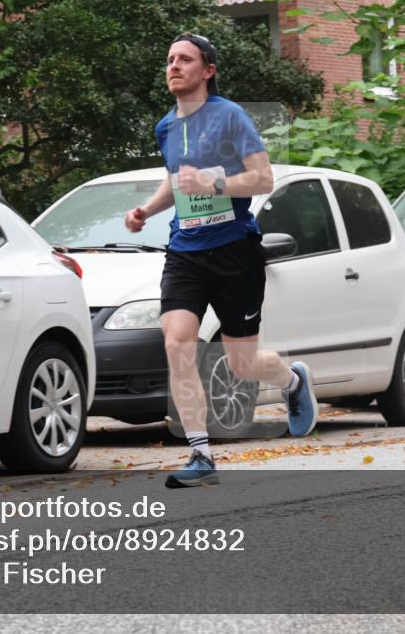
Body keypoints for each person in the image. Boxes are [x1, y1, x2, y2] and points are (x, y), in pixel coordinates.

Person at [124, 32, 319, 488]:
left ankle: (292, 381)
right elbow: (176, 183)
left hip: (234, 251)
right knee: (177, 344)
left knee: (242, 365)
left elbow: (263, 178)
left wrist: (213, 185)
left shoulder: (230, 117)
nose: (173, 66)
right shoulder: (166, 127)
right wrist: (146, 212)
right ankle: (200, 454)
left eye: (185, 59)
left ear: (207, 70)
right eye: (169, 58)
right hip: (185, 252)